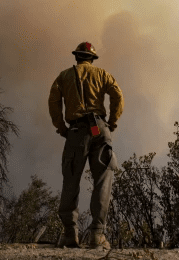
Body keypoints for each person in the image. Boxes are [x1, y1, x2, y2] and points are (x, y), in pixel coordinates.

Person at [48, 42, 124, 249]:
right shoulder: (102, 74)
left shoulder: (64, 76)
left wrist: (61, 127)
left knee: (71, 180)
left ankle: (70, 234)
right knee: (102, 180)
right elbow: (118, 95)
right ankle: (97, 236)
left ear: (76, 57)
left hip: (75, 131)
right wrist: (113, 122)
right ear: (92, 59)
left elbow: (53, 101)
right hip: (100, 129)